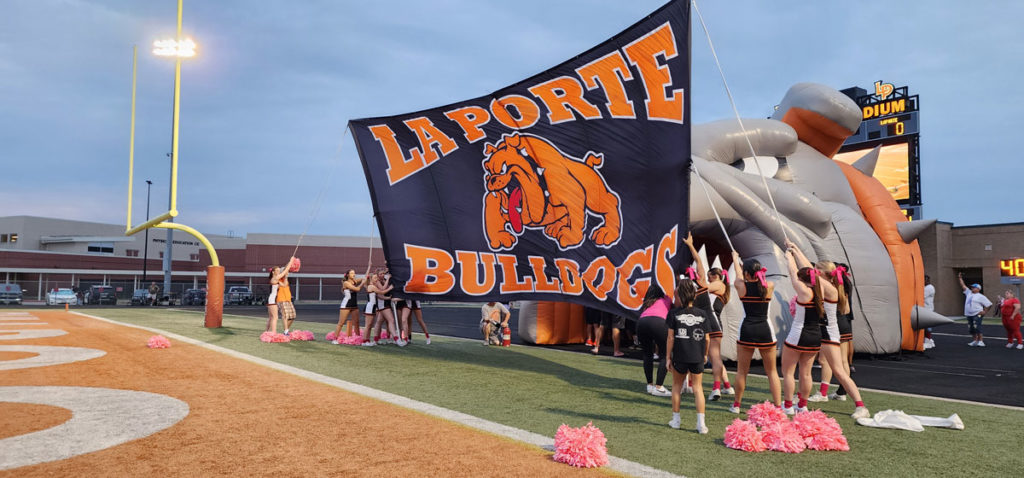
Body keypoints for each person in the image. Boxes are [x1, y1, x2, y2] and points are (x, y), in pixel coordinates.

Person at [789, 243, 869, 419]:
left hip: (829, 334)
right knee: (805, 370)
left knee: (838, 370)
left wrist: (794, 253)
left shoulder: (829, 288)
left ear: (824, 274)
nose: (814, 272)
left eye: (817, 270)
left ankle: (861, 406)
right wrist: (795, 249)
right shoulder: (823, 284)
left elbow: (806, 269)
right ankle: (801, 403)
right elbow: (808, 269)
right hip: (817, 331)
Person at [682, 232, 733, 402]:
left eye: (714, 274)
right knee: (709, 356)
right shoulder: (703, 285)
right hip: (703, 321)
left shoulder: (716, 285)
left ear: (720, 277)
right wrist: (690, 246)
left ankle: (716, 388)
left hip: (710, 321)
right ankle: (724, 386)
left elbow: (699, 267)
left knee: (712, 356)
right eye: (708, 273)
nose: (710, 275)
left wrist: (697, 278)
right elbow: (698, 262)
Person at [729, 250, 781, 414]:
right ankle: (778, 407)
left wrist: (734, 259)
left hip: (747, 330)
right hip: (765, 330)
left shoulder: (740, 286)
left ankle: (736, 405)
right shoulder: (769, 286)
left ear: (746, 273)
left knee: (742, 371)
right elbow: (760, 281)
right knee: (772, 371)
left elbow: (738, 277)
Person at [665, 278, 710, 434]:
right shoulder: (703, 314)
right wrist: (704, 354)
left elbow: (670, 337)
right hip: (697, 355)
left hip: (679, 356)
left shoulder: (674, 313)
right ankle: (701, 424)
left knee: (676, 387)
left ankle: (676, 421)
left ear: (680, 295)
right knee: (698, 388)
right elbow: (707, 338)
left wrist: (667, 358)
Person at [637, 285, 672, 397]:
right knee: (665, 355)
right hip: (659, 323)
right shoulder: (666, 299)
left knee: (647, 354)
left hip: (641, 322)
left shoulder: (647, 303)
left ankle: (650, 385)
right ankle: (659, 387)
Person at [331, 268, 367, 344]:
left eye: (354, 273)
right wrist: (362, 283)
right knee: (341, 323)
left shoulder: (355, 281)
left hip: (354, 305)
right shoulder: (346, 283)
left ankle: (358, 339)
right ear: (347, 275)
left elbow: (364, 277)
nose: (353, 274)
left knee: (357, 323)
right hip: (346, 305)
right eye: (351, 273)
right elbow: (357, 289)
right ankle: (335, 339)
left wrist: (369, 266)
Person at [959, 273, 992, 347]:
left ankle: (981, 341)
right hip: (969, 314)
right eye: (972, 287)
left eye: (974, 287)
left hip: (977, 313)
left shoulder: (981, 296)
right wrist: (960, 278)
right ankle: (975, 340)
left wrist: (984, 311)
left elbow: (989, 304)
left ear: (978, 289)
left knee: (977, 326)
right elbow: (963, 286)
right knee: (971, 328)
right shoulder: (969, 293)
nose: (972, 288)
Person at [276, 257, 298, 335]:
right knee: (285, 315)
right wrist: (290, 261)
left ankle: (286, 330)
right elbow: (283, 284)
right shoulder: (277, 279)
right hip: (281, 299)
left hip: (288, 299)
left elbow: (285, 283)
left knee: (293, 316)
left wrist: (290, 262)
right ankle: (286, 331)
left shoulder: (285, 279)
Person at [264, 266, 285, 333]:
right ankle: (273, 333)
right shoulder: (274, 278)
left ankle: (266, 332)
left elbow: (284, 285)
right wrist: (290, 263)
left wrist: (286, 277)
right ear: (273, 272)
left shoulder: (276, 279)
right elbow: (283, 273)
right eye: (277, 270)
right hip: (272, 300)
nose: (279, 272)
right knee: (275, 318)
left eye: (279, 270)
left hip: (271, 299)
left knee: (271, 317)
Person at [923, 275, 936, 349]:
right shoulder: (926, 287)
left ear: (927, 280)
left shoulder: (929, 288)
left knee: (927, 327)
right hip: (926, 309)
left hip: (927, 310)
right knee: (925, 327)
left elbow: (922, 296)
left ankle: (927, 341)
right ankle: (929, 340)